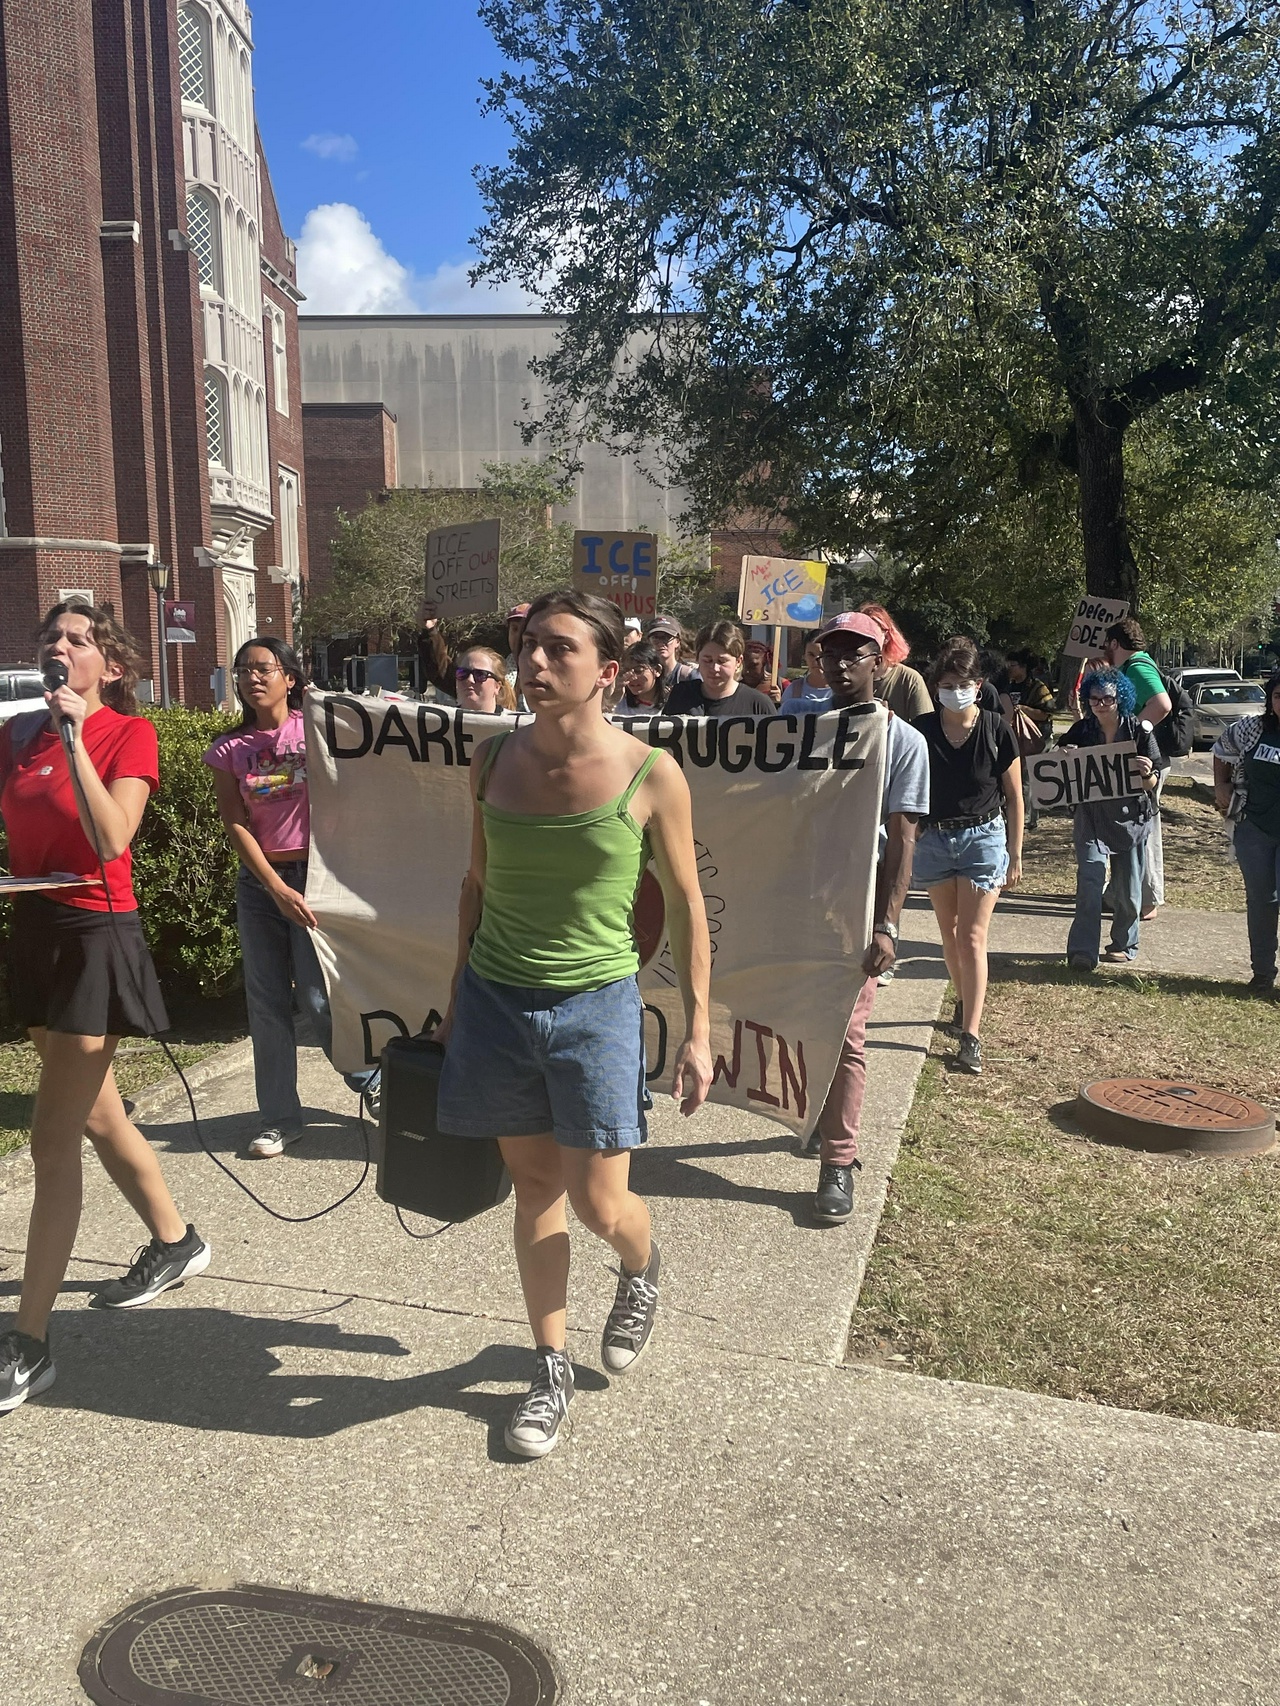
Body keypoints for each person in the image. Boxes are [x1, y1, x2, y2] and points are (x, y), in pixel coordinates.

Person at [435, 589, 712, 1459]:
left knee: (600, 1201)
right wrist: (453, 998)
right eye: (528, 648)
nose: (536, 664)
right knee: (535, 1190)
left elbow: (690, 909)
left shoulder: (649, 774)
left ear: (609, 671)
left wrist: (699, 1029)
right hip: (496, 1002)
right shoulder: (490, 765)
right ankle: (547, 1368)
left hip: (596, 1007)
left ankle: (641, 1266)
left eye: (559, 649)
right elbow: (475, 891)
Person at [0, 603, 210, 1414]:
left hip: (97, 934)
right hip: (36, 927)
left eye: (78, 641)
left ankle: (29, 1342)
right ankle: (176, 1241)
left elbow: (111, 836)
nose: (60, 648)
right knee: (97, 1116)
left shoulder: (126, 735)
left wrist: (78, 736)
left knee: (51, 1143)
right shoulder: (17, 737)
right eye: (50, 637)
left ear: (110, 666)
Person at [204, 637, 378, 1160]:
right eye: (243, 670)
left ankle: (371, 1083)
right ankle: (280, 1118)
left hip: (320, 879)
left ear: (291, 677)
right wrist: (275, 886)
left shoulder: (318, 730)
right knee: (267, 1003)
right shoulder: (228, 749)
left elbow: (373, 762)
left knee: (321, 997)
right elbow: (235, 821)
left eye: (264, 668)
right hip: (262, 885)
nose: (252, 677)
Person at [799, 614, 929, 1224]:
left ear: (881, 663)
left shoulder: (904, 743)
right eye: (832, 653)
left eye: (857, 653)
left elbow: (903, 840)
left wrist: (888, 926)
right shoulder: (797, 727)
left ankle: (839, 1161)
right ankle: (812, 1120)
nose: (843, 664)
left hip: (856, 910)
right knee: (798, 1021)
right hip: (794, 903)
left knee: (849, 1035)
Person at [912, 637, 1023, 1075]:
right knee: (949, 933)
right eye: (947, 682)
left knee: (972, 937)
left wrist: (1014, 854)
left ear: (978, 686)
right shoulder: (920, 729)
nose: (954, 690)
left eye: (963, 682)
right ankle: (963, 999)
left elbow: (1015, 797)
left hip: (984, 839)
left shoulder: (996, 728)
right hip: (935, 840)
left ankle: (971, 1035)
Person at [1059, 668, 1163, 969]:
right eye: (1095, 699)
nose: (1101, 704)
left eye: (1108, 698)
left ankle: (1124, 943)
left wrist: (1147, 775)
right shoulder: (1082, 730)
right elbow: (1059, 762)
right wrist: (1064, 753)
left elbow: (1152, 781)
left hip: (1130, 819)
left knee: (1129, 891)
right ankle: (1082, 952)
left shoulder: (1138, 730)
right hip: (1091, 818)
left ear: (1122, 698)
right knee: (1090, 882)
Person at [1212, 669, 1280, 995]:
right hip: (1255, 827)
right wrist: (1221, 785)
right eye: (1279, 697)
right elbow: (1221, 748)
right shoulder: (1253, 728)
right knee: (1262, 902)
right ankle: (1263, 974)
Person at [1102, 618, 1173, 920]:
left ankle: (1148, 898)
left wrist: (1133, 735)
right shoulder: (1133, 666)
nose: (1105, 649)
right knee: (1132, 826)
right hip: (1141, 758)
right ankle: (1123, 893)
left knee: (1145, 827)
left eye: (1107, 644)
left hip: (1146, 760)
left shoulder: (1138, 667)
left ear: (1115, 643)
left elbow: (1161, 704)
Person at [664, 622, 778, 719]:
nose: (714, 668)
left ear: (738, 662)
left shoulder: (758, 704)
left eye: (722, 661)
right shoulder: (681, 695)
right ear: (698, 658)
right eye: (708, 660)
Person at [995, 649, 1056, 827]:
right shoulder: (1007, 686)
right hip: (1015, 738)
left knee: (1029, 777)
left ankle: (1028, 818)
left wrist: (1022, 709)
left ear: (1023, 667)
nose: (1009, 669)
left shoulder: (1038, 687)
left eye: (1012, 665)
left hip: (1035, 739)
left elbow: (1047, 713)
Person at [860, 603, 932, 720]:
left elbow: (925, 729)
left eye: (872, 633)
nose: (865, 639)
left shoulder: (909, 680)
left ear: (887, 637)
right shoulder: (849, 677)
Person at [452, 645, 517, 715]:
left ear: (497, 686)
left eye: (480, 674)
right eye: (462, 673)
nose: (469, 680)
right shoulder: (441, 722)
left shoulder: (514, 724)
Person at [779, 637, 832, 712]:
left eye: (822, 654)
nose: (816, 660)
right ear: (804, 657)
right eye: (811, 655)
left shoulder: (842, 690)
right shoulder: (794, 690)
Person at [646, 614, 697, 692]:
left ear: (677, 641)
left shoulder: (689, 677)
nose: (660, 643)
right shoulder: (644, 677)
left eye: (666, 638)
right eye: (655, 638)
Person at [618, 641, 669, 712]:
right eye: (626, 671)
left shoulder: (675, 702)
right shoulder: (617, 704)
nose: (632, 677)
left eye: (638, 670)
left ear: (657, 670)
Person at [741, 639, 782, 705]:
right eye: (742, 665)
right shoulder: (733, 688)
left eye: (753, 666)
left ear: (764, 662)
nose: (746, 671)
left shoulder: (781, 685)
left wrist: (779, 703)